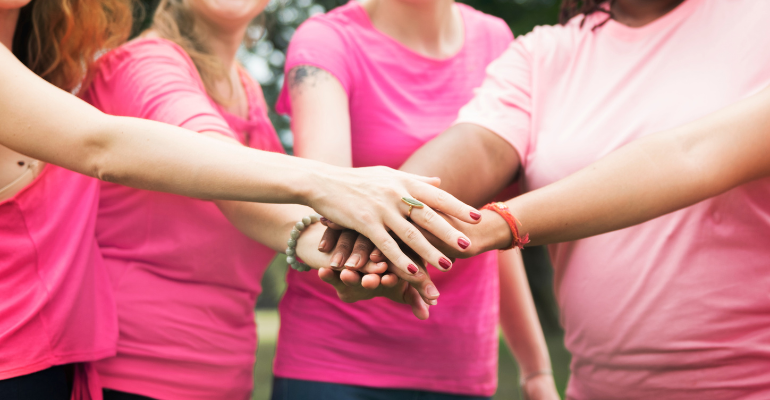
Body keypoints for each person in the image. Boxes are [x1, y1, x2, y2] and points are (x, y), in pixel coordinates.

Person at [0, 0, 478, 398]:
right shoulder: (144, 65)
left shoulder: (244, 90)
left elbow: (261, 209)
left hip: (200, 373)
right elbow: (147, 153)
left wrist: (351, 254)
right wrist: (330, 185)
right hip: (132, 372)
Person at [323, 0, 770, 398]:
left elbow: (692, 157)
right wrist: (379, 229)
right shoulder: (545, 52)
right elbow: (479, 145)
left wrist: (498, 225)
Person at [275, 1, 558, 399]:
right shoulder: (327, 40)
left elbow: (486, 225)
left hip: (460, 365)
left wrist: (536, 371)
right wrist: (355, 267)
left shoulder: (495, 39)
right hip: (336, 364)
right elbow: (327, 198)